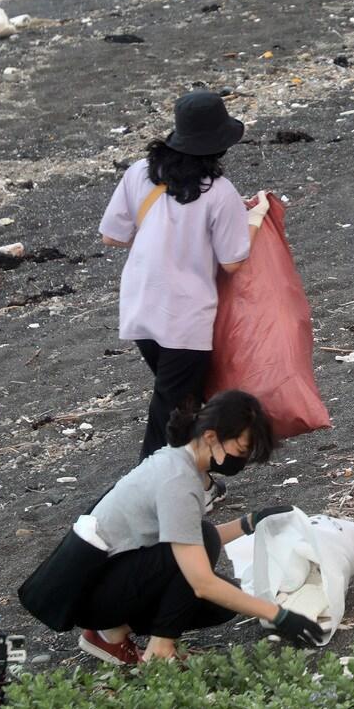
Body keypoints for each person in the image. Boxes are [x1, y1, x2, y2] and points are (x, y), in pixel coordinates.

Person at [20, 391, 325, 664]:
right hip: (88, 595)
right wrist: (280, 615)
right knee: (206, 566)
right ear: (210, 437)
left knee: (221, 595)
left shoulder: (177, 459)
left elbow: (185, 538)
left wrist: (252, 522)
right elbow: (200, 577)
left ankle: (112, 632)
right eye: (242, 450)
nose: (242, 460)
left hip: (103, 580)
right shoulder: (178, 481)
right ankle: (157, 650)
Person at [98, 91, 271, 490]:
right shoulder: (221, 193)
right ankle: (146, 491)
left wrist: (162, 232)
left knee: (182, 401)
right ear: (221, 143)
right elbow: (232, 261)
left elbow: (112, 236)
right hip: (186, 318)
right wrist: (255, 220)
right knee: (173, 412)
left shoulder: (140, 172)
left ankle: (202, 483)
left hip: (141, 306)